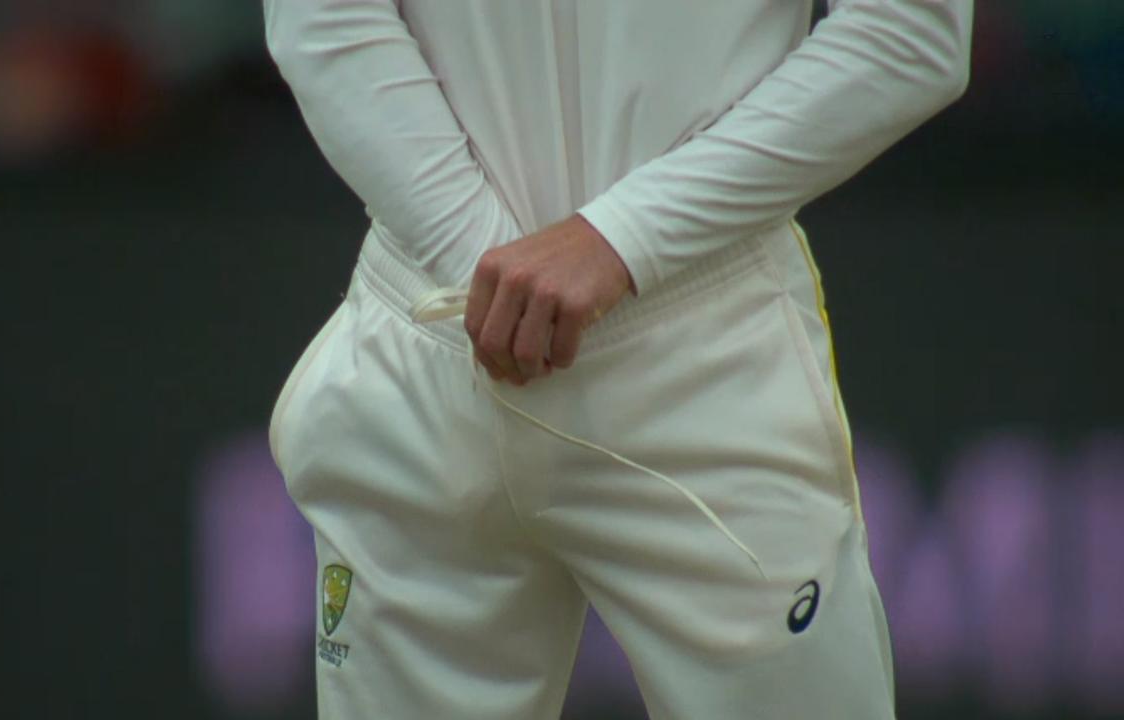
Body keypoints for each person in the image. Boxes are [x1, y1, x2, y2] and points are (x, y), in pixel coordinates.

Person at [264, 1, 973, 718]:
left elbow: (912, 29)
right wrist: (485, 265)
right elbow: (323, 15)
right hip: (439, 325)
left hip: (691, 333)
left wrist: (618, 239)